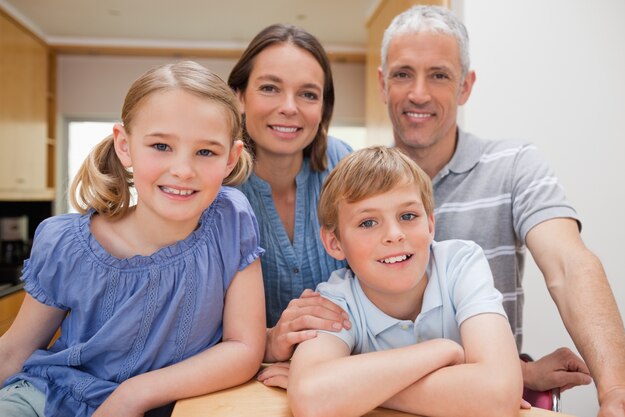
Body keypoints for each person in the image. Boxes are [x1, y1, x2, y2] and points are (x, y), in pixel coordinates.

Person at [378, 5, 625, 415]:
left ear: (465, 87)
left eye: (439, 75)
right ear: (383, 83)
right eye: (403, 73)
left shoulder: (514, 164)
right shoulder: (354, 182)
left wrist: (615, 390)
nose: (418, 93)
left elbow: (568, 264)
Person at [0, 61, 266, 417]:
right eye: (160, 146)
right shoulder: (65, 242)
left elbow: (244, 348)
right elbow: (13, 352)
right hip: (49, 398)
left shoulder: (231, 220)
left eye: (206, 152)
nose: (183, 170)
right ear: (125, 146)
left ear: (231, 159)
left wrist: (132, 394)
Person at [288, 146, 522, 417]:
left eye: (408, 216)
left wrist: (361, 390)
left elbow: (498, 394)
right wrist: (440, 351)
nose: (394, 234)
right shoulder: (336, 302)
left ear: (430, 224)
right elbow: (311, 399)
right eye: (368, 222)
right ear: (334, 242)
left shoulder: (461, 264)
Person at [228, 24, 353, 370]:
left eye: (308, 94)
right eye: (270, 88)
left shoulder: (348, 169)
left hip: (344, 373)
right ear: (239, 95)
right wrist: (268, 341)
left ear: (323, 107)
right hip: (241, 382)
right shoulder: (213, 185)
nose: (289, 107)